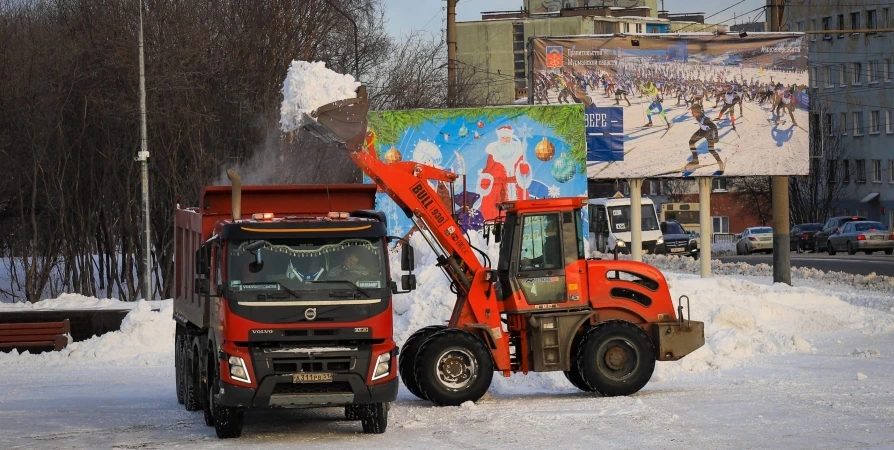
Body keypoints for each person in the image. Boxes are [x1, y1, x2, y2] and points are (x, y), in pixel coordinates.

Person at [687, 104, 725, 174]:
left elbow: (714, 127)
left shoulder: (706, 120)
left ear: (697, 111)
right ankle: (695, 161)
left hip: (709, 133)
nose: (691, 113)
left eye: (692, 112)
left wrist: (716, 137)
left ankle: (720, 163)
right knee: (691, 142)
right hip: (702, 130)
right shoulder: (697, 115)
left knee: (711, 150)